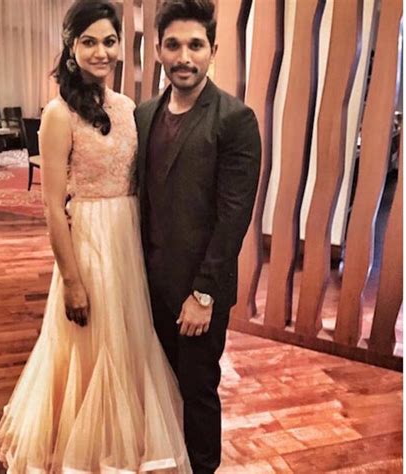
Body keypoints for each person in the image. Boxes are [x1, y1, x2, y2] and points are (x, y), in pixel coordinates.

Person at [0, 1, 191, 472]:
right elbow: (51, 206)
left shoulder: (127, 108)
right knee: (89, 349)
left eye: (109, 41)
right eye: (89, 41)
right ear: (71, 47)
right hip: (89, 244)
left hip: (127, 241)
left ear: (121, 46)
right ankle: (82, 455)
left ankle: (121, 449)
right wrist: (72, 281)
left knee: (128, 346)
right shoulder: (58, 114)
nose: (101, 51)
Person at [134, 0, 261, 472]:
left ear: (212, 50)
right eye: (173, 45)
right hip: (148, 283)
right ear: (159, 51)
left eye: (195, 45)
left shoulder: (234, 119)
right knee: (158, 384)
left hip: (197, 293)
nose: (183, 57)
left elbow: (233, 218)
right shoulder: (144, 115)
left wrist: (203, 295)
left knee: (198, 391)